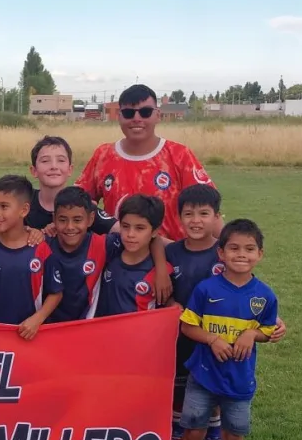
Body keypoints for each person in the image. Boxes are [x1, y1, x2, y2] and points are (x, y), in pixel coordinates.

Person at [173, 219, 279, 440]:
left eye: (249, 249)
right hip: (203, 376)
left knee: (233, 437)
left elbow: (269, 331)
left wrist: (252, 334)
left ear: (260, 254)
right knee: (193, 431)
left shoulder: (265, 296)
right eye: (233, 248)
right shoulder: (206, 289)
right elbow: (187, 326)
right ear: (221, 253)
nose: (241, 254)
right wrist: (212, 339)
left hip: (239, 381)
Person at [75, 84, 219, 241]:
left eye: (145, 112)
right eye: (129, 113)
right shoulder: (103, 155)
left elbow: (209, 209)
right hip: (119, 254)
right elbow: (76, 202)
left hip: (172, 254)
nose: (137, 119)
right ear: (119, 116)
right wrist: (110, 225)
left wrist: (226, 246)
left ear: (157, 115)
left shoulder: (179, 155)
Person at [165, 184, 226, 440]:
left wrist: (271, 318)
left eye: (204, 213)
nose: (196, 220)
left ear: (217, 217)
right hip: (178, 347)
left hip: (214, 349)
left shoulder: (224, 253)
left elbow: (245, 289)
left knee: (212, 419)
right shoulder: (171, 252)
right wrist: (170, 302)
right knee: (179, 417)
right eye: (188, 214)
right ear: (179, 217)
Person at [0, 175, 63, 338]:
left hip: (29, 336)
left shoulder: (40, 248)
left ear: (23, 210)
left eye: (4, 206)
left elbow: (56, 293)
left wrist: (37, 319)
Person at [45, 187, 120, 322]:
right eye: (62, 220)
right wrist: (31, 231)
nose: (70, 227)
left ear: (90, 219)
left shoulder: (102, 245)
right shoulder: (43, 245)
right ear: (54, 219)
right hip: (48, 328)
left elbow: (145, 238)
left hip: (88, 326)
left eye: (77, 220)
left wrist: (160, 266)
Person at [94, 194, 173, 317]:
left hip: (140, 329)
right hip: (100, 327)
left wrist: (173, 305)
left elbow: (167, 305)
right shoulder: (110, 251)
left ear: (155, 231)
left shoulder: (161, 273)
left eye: (139, 228)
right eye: (125, 226)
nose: (130, 234)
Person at [27, 135, 115, 235]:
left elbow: (121, 230)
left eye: (61, 160)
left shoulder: (83, 204)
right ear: (34, 171)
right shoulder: (22, 203)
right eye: (45, 161)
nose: (54, 166)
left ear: (70, 169)